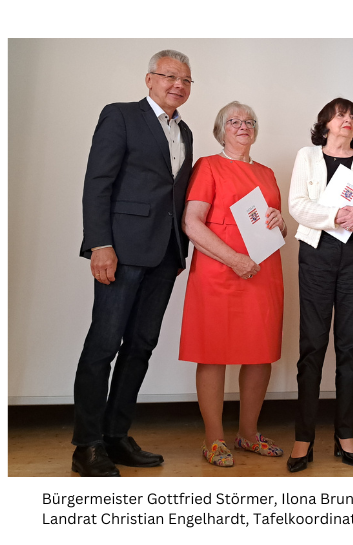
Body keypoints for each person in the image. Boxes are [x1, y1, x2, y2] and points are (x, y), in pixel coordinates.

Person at [72, 50, 194, 477]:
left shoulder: (186, 132)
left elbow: (175, 197)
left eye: (186, 80)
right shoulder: (120, 116)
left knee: (141, 346)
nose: (178, 84)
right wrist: (99, 243)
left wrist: (179, 249)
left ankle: (115, 435)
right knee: (103, 346)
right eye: (169, 76)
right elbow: (97, 182)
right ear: (149, 79)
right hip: (120, 252)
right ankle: (86, 444)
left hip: (164, 256)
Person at [180, 102, 286, 466]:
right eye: (234, 121)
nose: (243, 126)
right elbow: (192, 223)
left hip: (263, 271)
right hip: (218, 273)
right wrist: (234, 260)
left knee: (260, 351)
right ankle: (213, 439)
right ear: (220, 129)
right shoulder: (208, 166)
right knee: (214, 352)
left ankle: (248, 434)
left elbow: (276, 226)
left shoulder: (269, 173)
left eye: (250, 121)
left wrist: (280, 221)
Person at [287, 98, 353, 472]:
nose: (346, 120)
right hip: (316, 256)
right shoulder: (307, 157)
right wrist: (337, 214)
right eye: (339, 114)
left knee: (348, 345)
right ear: (326, 123)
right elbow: (297, 205)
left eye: (352, 116)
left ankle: (345, 433)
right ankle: (304, 437)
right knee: (312, 345)